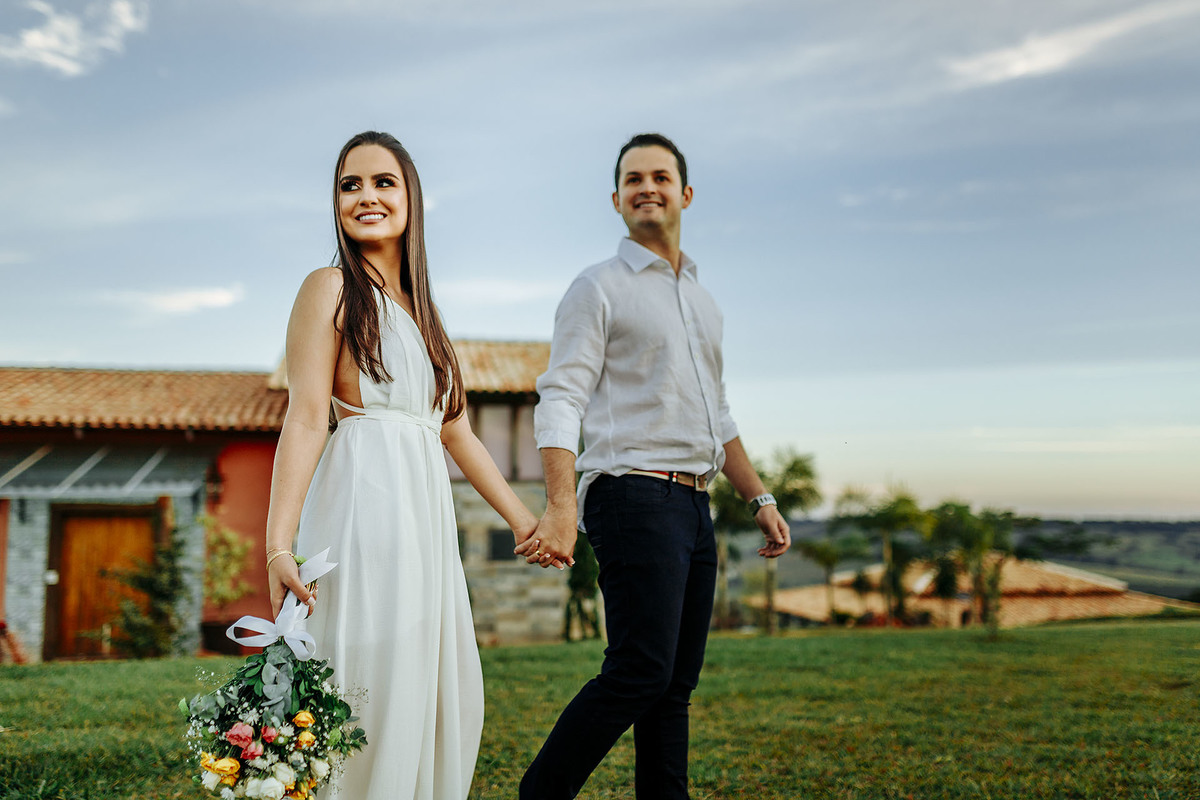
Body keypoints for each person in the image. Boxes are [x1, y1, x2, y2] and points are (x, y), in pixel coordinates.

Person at [264, 131, 550, 800]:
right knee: (367, 674)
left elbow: (458, 432)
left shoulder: (428, 315)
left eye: (382, 182)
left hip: (425, 522)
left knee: (433, 683)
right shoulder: (329, 287)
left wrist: (523, 521)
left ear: (411, 197)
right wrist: (278, 545)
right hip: (361, 506)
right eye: (349, 184)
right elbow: (306, 416)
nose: (366, 196)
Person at [514, 133, 792, 799]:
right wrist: (559, 506)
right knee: (640, 671)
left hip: (694, 505)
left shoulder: (704, 302)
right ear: (616, 200)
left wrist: (760, 499)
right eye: (633, 178)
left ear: (685, 194)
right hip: (631, 493)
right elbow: (561, 396)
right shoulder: (597, 288)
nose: (648, 187)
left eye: (661, 177)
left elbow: (715, 415)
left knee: (672, 687)